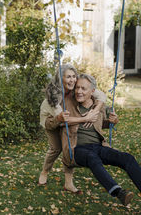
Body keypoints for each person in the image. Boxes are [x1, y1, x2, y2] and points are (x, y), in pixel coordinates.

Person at [60, 73, 141, 206]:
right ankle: (119, 193)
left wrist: (113, 121)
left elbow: (102, 124)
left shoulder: (99, 107)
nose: (79, 91)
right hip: (76, 149)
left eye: (83, 89)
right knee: (92, 158)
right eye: (77, 88)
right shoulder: (68, 103)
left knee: (126, 158)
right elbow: (55, 121)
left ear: (93, 91)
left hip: (98, 146)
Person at [38, 65, 106, 193]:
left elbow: (101, 96)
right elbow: (64, 119)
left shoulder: (76, 86)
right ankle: (45, 171)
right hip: (51, 120)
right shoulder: (54, 96)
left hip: (67, 118)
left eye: (74, 76)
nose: (72, 80)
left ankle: (68, 184)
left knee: (68, 146)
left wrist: (94, 111)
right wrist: (85, 119)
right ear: (60, 78)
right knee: (56, 148)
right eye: (68, 77)